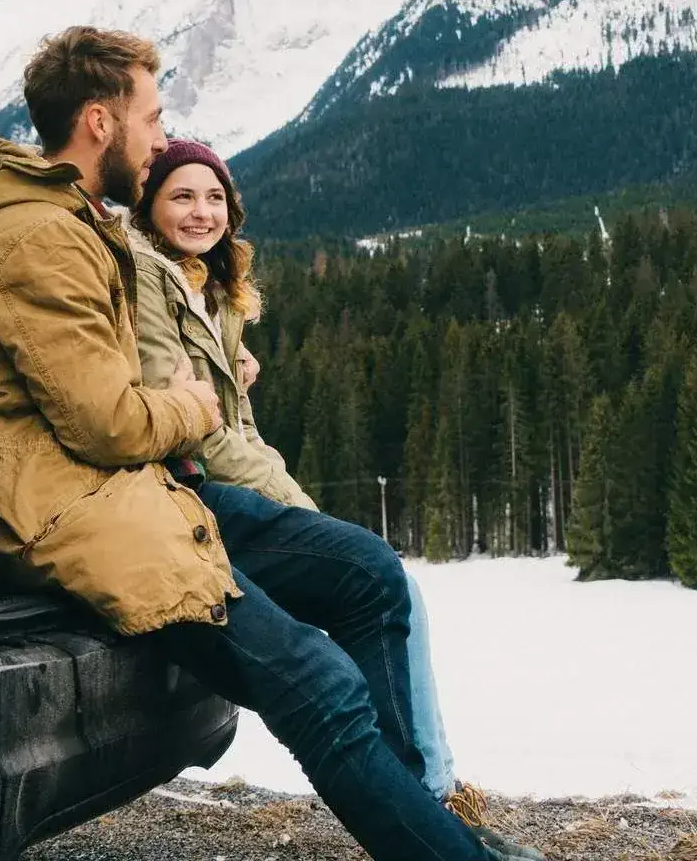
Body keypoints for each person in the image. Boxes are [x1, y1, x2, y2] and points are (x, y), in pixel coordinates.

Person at [0, 26, 536, 860]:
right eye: (151, 117)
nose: (158, 139)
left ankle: (428, 825)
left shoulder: (70, 223)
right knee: (318, 683)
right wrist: (191, 403)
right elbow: (107, 422)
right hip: (74, 513)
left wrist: (188, 387)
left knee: (369, 574)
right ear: (100, 121)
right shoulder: (36, 239)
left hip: (132, 491)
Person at [127, 138, 502, 837]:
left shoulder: (210, 292)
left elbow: (235, 428)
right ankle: (429, 800)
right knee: (372, 597)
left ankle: (427, 799)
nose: (201, 211)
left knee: (386, 587)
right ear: (148, 209)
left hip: (222, 491)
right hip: (187, 503)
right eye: (181, 196)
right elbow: (199, 433)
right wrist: (298, 509)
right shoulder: (154, 282)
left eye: (214, 198)